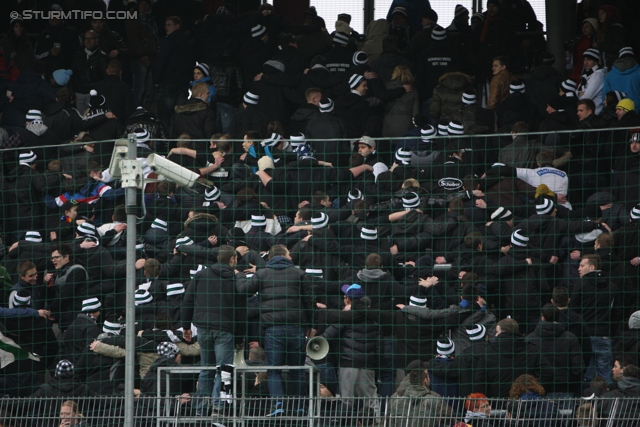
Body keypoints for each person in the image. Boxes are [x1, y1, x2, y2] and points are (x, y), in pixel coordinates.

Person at [237, 244, 313, 415]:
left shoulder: (262, 274)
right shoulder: (300, 274)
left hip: (273, 329)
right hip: (296, 329)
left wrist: (241, 275)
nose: (292, 258)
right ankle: (299, 407)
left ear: (270, 257)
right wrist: (312, 326)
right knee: (297, 369)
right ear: (285, 256)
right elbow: (310, 303)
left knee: (273, 370)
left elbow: (243, 290)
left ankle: (278, 405)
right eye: (290, 255)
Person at [182, 245, 245, 415]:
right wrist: (240, 338)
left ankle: (200, 410)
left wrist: (186, 327)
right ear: (232, 259)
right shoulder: (235, 278)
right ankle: (218, 408)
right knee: (222, 369)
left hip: (202, 327)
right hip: (224, 329)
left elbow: (187, 301)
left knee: (206, 369)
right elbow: (240, 311)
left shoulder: (201, 275)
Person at [569, 254, 621, 383]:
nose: (578, 269)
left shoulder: (581, 284)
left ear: (592, 267)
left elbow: (572, 311)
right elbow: (617, 313)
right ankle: (606, 401)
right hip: (604, 336)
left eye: (582, 265)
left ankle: (588, 400)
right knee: (605, 374)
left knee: (587, 374)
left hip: (585, 336)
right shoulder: (612, 286)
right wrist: (609, 331)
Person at [152, 16, 195, 135]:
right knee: (180, 117)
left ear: (177, 26)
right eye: (166, 25)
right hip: (182, 84)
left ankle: (164, 147)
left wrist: (156, 79)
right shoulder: (187, 42)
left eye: (169, 24)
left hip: (168, 84)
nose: (166, 27)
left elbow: (161, 61)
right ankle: (179, 145)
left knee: (164, 118)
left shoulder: (168, 41)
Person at [577, 48, 606, 114]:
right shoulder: (587, 74)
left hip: (596, 112)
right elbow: (577, 90)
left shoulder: (598, 75)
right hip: (587, 112)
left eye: (589, 60)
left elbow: (586, 97)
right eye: (584, 60)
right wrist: (579, 93)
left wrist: (579, 94)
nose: (586, 63)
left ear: (596, 61)